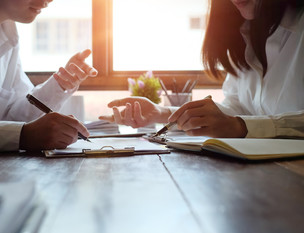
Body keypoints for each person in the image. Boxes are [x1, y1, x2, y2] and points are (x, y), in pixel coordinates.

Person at [100, 0, 304, 139]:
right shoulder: (244, 33)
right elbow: (239, 108)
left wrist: (239, 127)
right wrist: (160, 113)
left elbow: (240, 121)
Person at [0, 0, 98, 154]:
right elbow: (19, 131)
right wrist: (22, 135)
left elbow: (16, 116)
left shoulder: (8, 33)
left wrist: (60, 84)